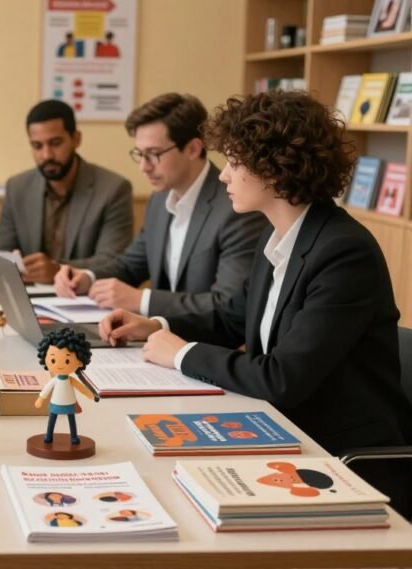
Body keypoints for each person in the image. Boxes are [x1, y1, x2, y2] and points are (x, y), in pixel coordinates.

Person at [99, 91, 412, 518]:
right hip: (285, 434)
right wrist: (156, 326)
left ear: (275, 168)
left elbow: (282, 378)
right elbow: (230, 319)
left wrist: (183, 354)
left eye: (235, 162)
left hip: (339, 459)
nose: (224, 176)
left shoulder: (343, 252)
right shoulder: (278, 234)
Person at [54, 93, 266, 317]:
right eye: (140, 154)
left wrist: (142, 300)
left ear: (193, 149)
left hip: (208, 347)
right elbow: (131, 265)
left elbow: (228, 306)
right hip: (158, 338)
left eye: (154, 154)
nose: (144, 167)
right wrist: (87, 277)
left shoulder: (236, 208)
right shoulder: (159, 199)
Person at [0, 99, 133, 283]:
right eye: (37, 146)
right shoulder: (17, 187)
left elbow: (114, 262)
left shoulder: (114, 189)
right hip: (29, 298)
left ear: (76, 139)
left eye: (55, 143)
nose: (46, 155)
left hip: (86, 299)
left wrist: (57, 269)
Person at [34, 329, 98, 444]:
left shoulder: (71, 380)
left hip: (69, 403)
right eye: (53, 360)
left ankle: (73, 436)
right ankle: (49, 435)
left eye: (67, 361)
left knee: (71, 420)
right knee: (52, 420)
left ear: (80, 362)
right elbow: (47, 389)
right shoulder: (55, 380)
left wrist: (91, 396)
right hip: (55, 403)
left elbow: (82, 388)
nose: (59, 365)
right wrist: (41, 398)